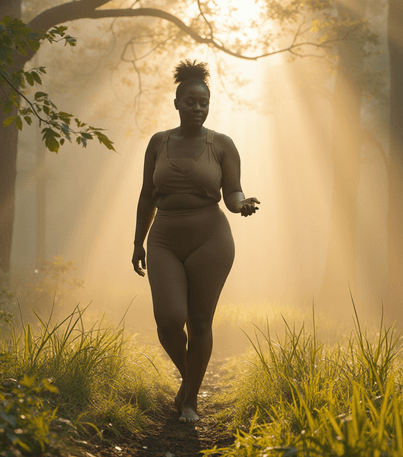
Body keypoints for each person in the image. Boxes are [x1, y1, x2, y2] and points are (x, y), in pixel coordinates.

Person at [131, 59, 260, 423]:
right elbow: (146, 195)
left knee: (200, 322)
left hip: (211, 239)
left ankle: (190, 402)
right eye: (191, 101)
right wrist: (138, 242)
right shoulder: (159, 143)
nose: (198, 108)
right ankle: (191, 382)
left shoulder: (222, 145)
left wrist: (241, 205)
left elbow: (232, 191)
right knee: (168, 320)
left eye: (204, 103)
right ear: (176, 103)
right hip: (164, 239)